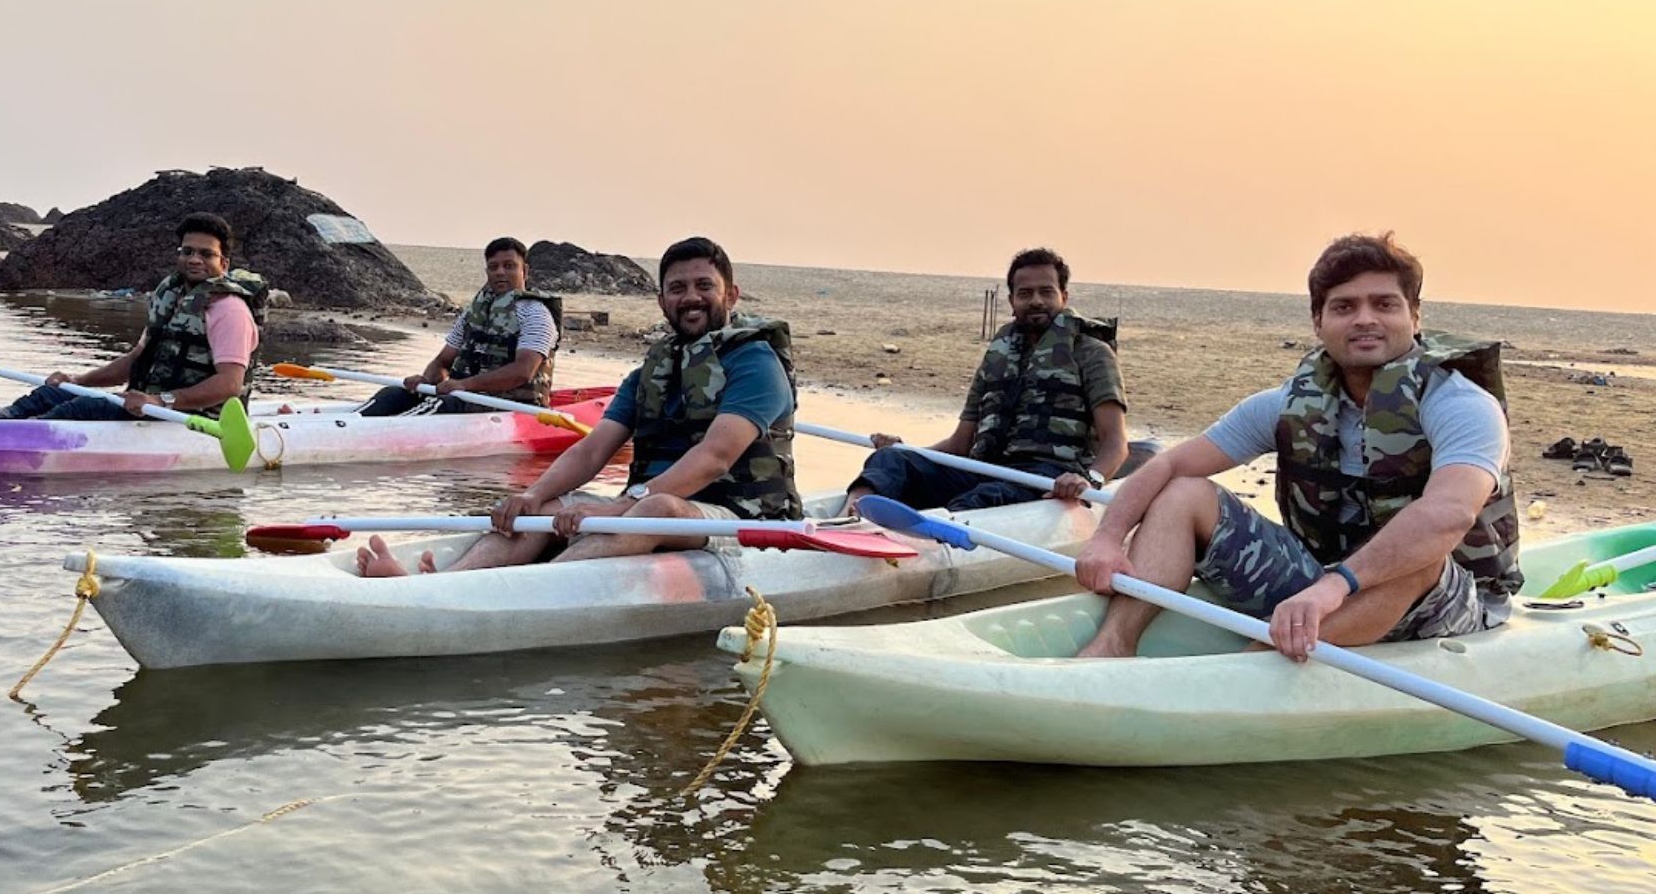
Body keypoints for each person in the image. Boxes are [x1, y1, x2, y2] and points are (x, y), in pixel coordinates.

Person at [1072, 231, 1521, 661]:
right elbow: (1168, 466)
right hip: (1321, 581)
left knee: (1419, 554)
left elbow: (1450, 514)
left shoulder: (1461, 404)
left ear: (1414, 316)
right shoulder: (1289, 403)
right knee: (1183, 492)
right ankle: (1113, 643)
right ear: (1318, 321)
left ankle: (1252, 669)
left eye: (1384, 304)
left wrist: (1336, 586)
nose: (1365, 318)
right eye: (1344, 307)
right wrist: (1107, 539)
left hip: (1446, 597)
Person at [356, 236, 799, 576]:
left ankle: (512, 594)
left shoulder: (756, 362)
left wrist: (622, 505)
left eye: (705, 286)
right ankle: (447, 583)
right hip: (652, 508)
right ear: (663, 300)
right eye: (677, 288)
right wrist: (531, 495)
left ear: (731, 295)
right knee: (546, 507)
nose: (691, 297)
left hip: (742, 518)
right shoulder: (654, 369)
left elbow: (714, 457)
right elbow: (591, 450)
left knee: (656, 509)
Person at [842, 247, 1129, 513]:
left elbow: (1115, 443)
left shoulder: (1093, 354)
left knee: (985, 498)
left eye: (1046, 292)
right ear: (1012, 301)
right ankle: (850, 517)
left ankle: (931, 539)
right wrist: (905, 450)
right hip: (987, 469)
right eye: (1025, 293)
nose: (1036, 301)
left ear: (1063, 297)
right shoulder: (998, 357)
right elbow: (959, 446)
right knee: (889, 461)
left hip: (1047, 476)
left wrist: (1089, 480)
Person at [0, 213, 267, 420]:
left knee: (88, 407)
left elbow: (230, 384)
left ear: (224, 263)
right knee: (56, 393)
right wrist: (77, 380)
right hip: (150, 406)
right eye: (188, 251)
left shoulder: (230, 310)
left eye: (206, 254)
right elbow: (137, 360)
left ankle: (11, 440)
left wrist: (161, 400)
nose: (195, 259)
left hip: (190, 418)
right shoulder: (171, 298)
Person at [358, 237, 561, 416]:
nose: (500, 272)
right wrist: (426, 380)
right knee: (394, 394)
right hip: (466, 396)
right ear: (487, 271)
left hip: (512, 405)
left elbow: (523, 371)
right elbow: (443, 361)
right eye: (493, 267)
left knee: (444, 404)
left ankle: (385, 434)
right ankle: (350, 424)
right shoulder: (474, 312)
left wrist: (464, 385)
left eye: (509, 266)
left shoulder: (536, 314)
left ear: (524, 271)